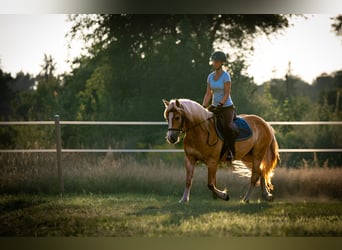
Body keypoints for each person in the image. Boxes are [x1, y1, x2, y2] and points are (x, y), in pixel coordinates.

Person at [202, 51, 236, 161]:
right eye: (213, 61)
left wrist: (221, 104)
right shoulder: (210, 77)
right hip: (214, 106)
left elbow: (227, 93)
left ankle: (230, 150)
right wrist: (202, 107)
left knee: (228, 127)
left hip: (226, 107)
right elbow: (208, 93)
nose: (214, 63)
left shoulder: (226, 76)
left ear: (221, 63)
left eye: (216, 61)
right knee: (203, 122)